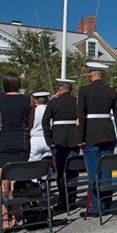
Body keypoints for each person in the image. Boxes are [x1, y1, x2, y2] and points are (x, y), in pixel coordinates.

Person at [0, 73, 35, 229]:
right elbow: (30, 123)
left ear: (4, 85)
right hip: (22, 141)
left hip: (2, 143)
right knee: (16, 181)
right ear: (19, 85)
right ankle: (17, 216)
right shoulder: (29, 99)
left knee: (2, 182)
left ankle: (5, 220)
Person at [78, 62, 117, 217]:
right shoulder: (111, 91)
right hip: (107, 132)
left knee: (93, 171)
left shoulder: (84, 90)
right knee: (106, 170)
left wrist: (80, 137)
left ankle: (95, 207)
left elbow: (81, 115)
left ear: (90, 74)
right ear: (102, 75)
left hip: (90, 134)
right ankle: (107, 204)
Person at [42, 79, 80, 211]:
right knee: (73, 171)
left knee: (60, 172)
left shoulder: (53, 102)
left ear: (59, 89)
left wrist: (49, 141)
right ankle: (72, 199)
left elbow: (45, 122)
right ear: (71, 89)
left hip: (58, 141)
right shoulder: (77, 102)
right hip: (74, 140)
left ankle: (63, 200)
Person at [28, 91, 52, 161]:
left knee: (33, 164)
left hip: (35, 139)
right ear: (47, 99)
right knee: (49, 163)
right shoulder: (50, 111)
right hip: (48, 139)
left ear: (35, 100)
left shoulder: (33, 111)